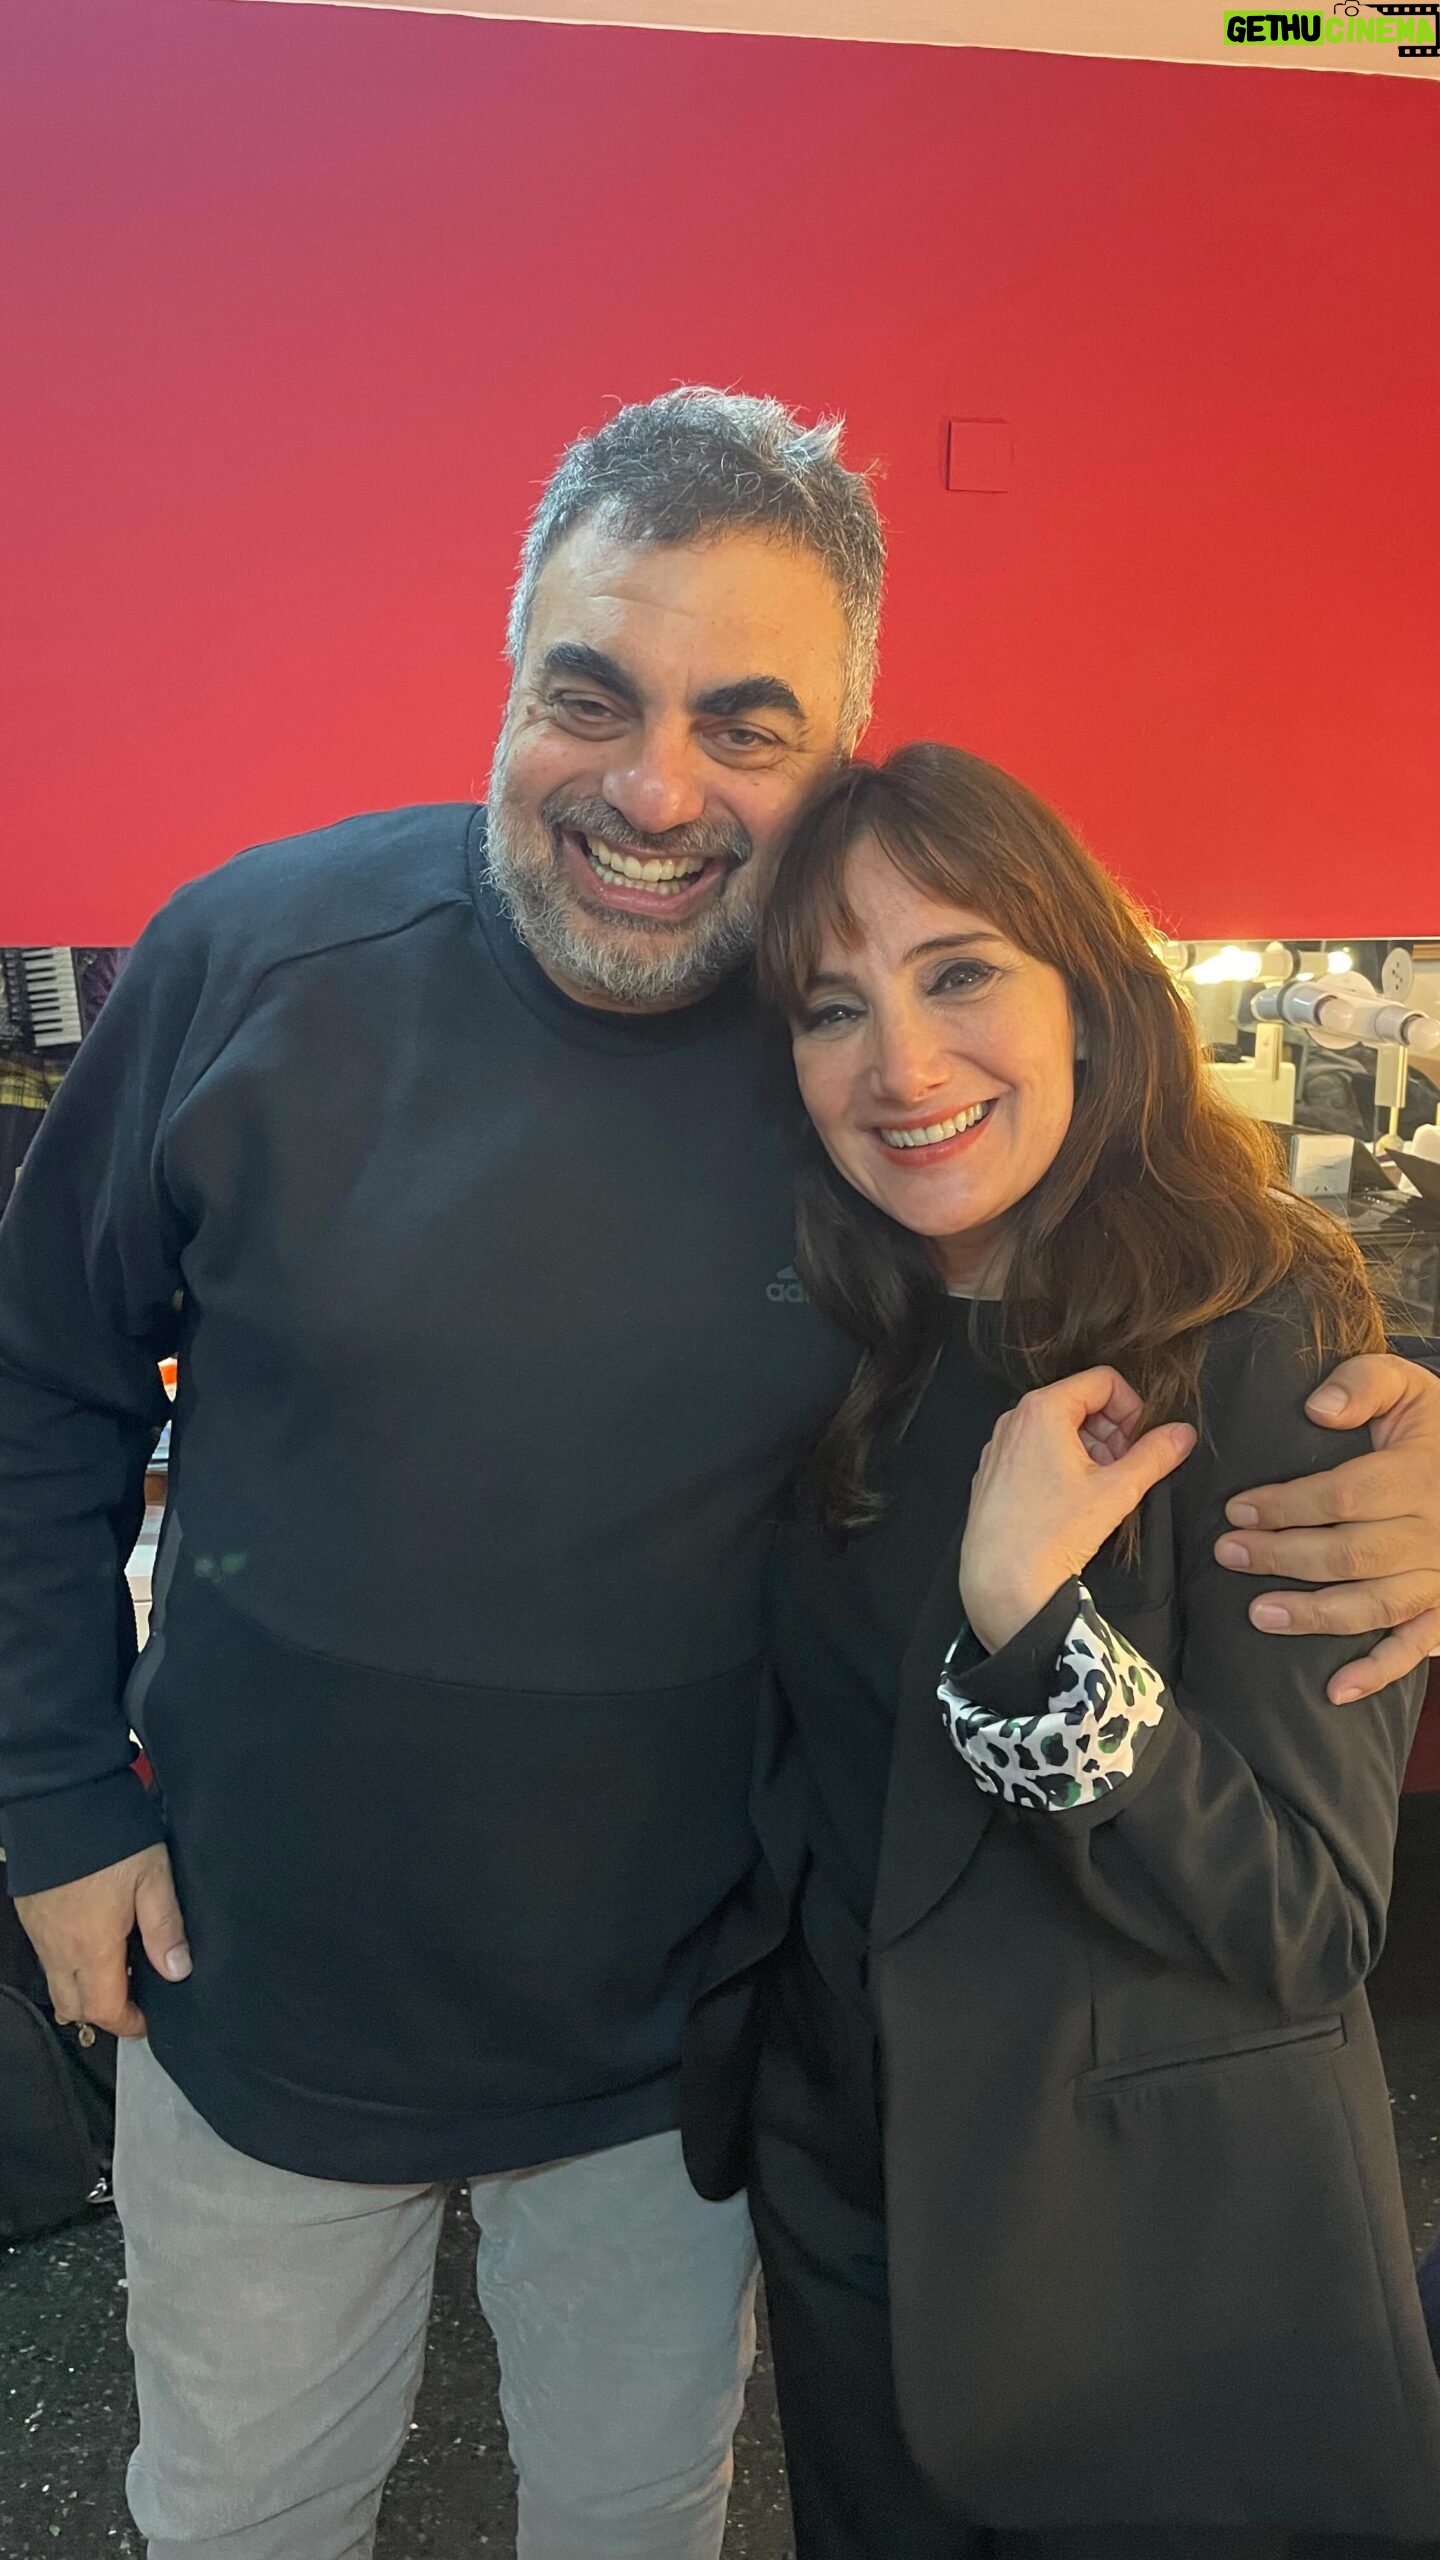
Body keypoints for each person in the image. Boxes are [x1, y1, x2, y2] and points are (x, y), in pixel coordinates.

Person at [0, 393, 1437, 2560]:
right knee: (240, 2517)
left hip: (674, 2055)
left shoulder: (863, 1083)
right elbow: (41, 1378)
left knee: (636, 2515)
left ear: (835, 751)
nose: (655, 789)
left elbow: (1156, 1286)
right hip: (256, 1988)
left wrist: (1411, 1433)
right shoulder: (254, 963)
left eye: (744, 727)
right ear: (509, 681)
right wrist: (51, 1795)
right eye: (591, 695)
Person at [683, 742, 1440, 2559]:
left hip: (1155, 2275)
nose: (901, 1066)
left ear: (1088, 1001)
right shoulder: (838, 1324)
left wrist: (1039, 1646)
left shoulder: (1257, 1333)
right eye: (833, 1008)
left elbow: (1307, 1917)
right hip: (856, 2205)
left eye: (960, 973)